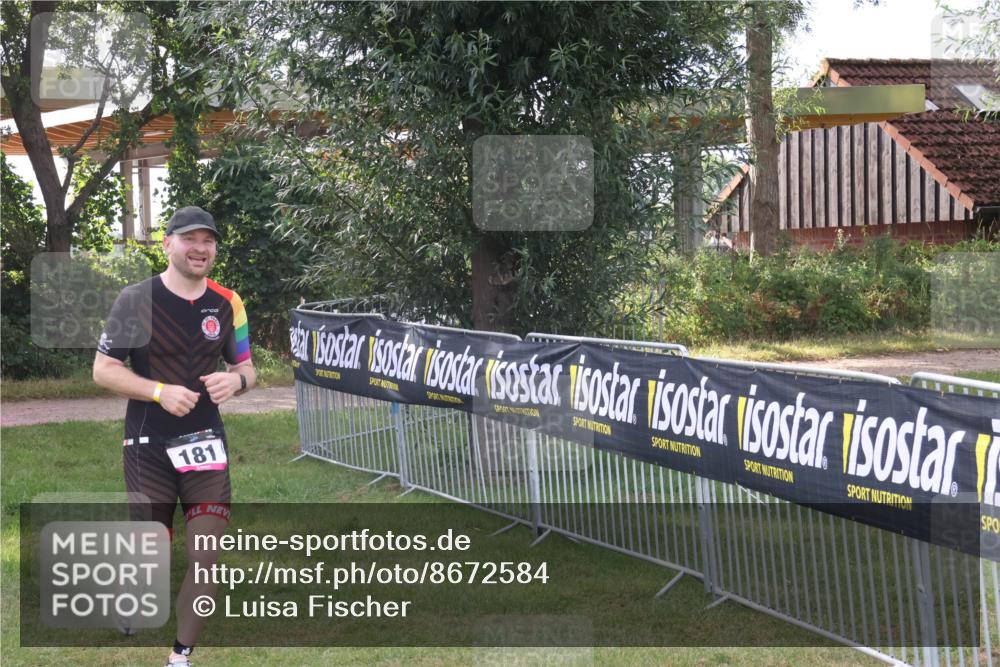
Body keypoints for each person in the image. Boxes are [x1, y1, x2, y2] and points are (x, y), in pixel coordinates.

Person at [93, 206, 255, 667]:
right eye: (190, 239)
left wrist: (237, 382)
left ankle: (180, 656)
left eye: (208, 240)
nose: (200, 248)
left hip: (206, 442)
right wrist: (159, 392)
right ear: (168, 244)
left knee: (206, 554)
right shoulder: (135, 300)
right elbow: (104, 370)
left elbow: (245, 367)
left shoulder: (229, 303)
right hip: (148, 442)